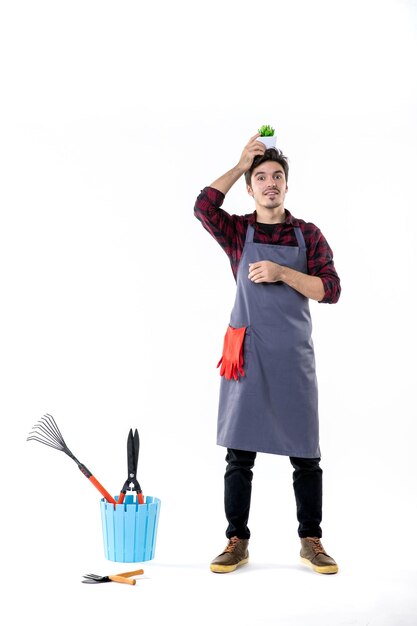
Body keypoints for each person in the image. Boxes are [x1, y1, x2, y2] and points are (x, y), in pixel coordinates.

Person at [194, 133, 341, 575]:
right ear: (251, 188)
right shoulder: (239, 232)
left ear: (287, 186)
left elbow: (331, 290)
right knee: (239, 453)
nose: (270, 183)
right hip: (248, 353)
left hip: (293, 358)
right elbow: (203, 207)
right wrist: (240, 162)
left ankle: (310, 539)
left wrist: (283, 273)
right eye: (261, 177)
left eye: (277, 176)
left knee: (306, 455)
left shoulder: (308, 234)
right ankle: (236, 540)